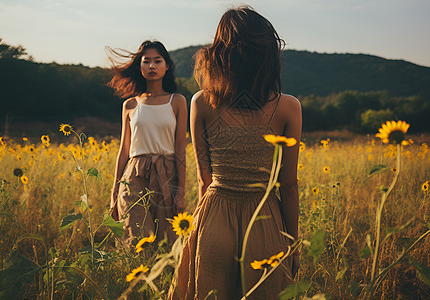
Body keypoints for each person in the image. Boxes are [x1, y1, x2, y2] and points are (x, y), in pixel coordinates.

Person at [169, 6, 301, 300]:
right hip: (265, 222)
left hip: (214, 220)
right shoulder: (289, 107)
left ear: (220, 53)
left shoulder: (201, 102)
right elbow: (288, 186)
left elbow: (204, 181)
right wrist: (293, 245)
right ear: (267, 56)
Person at [108, 41, 187, 246]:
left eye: (157, 61)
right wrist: (114, 192)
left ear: (166, 66)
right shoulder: (130, 104)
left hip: (166, 173)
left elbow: (180, 150)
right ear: (140, 67)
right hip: (134, 175)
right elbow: (124, 150)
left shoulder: (177, 101)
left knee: (167, 240)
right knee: (136, 238)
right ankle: (138, 278)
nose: (152, 66)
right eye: (147, 62)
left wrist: (181, 192)